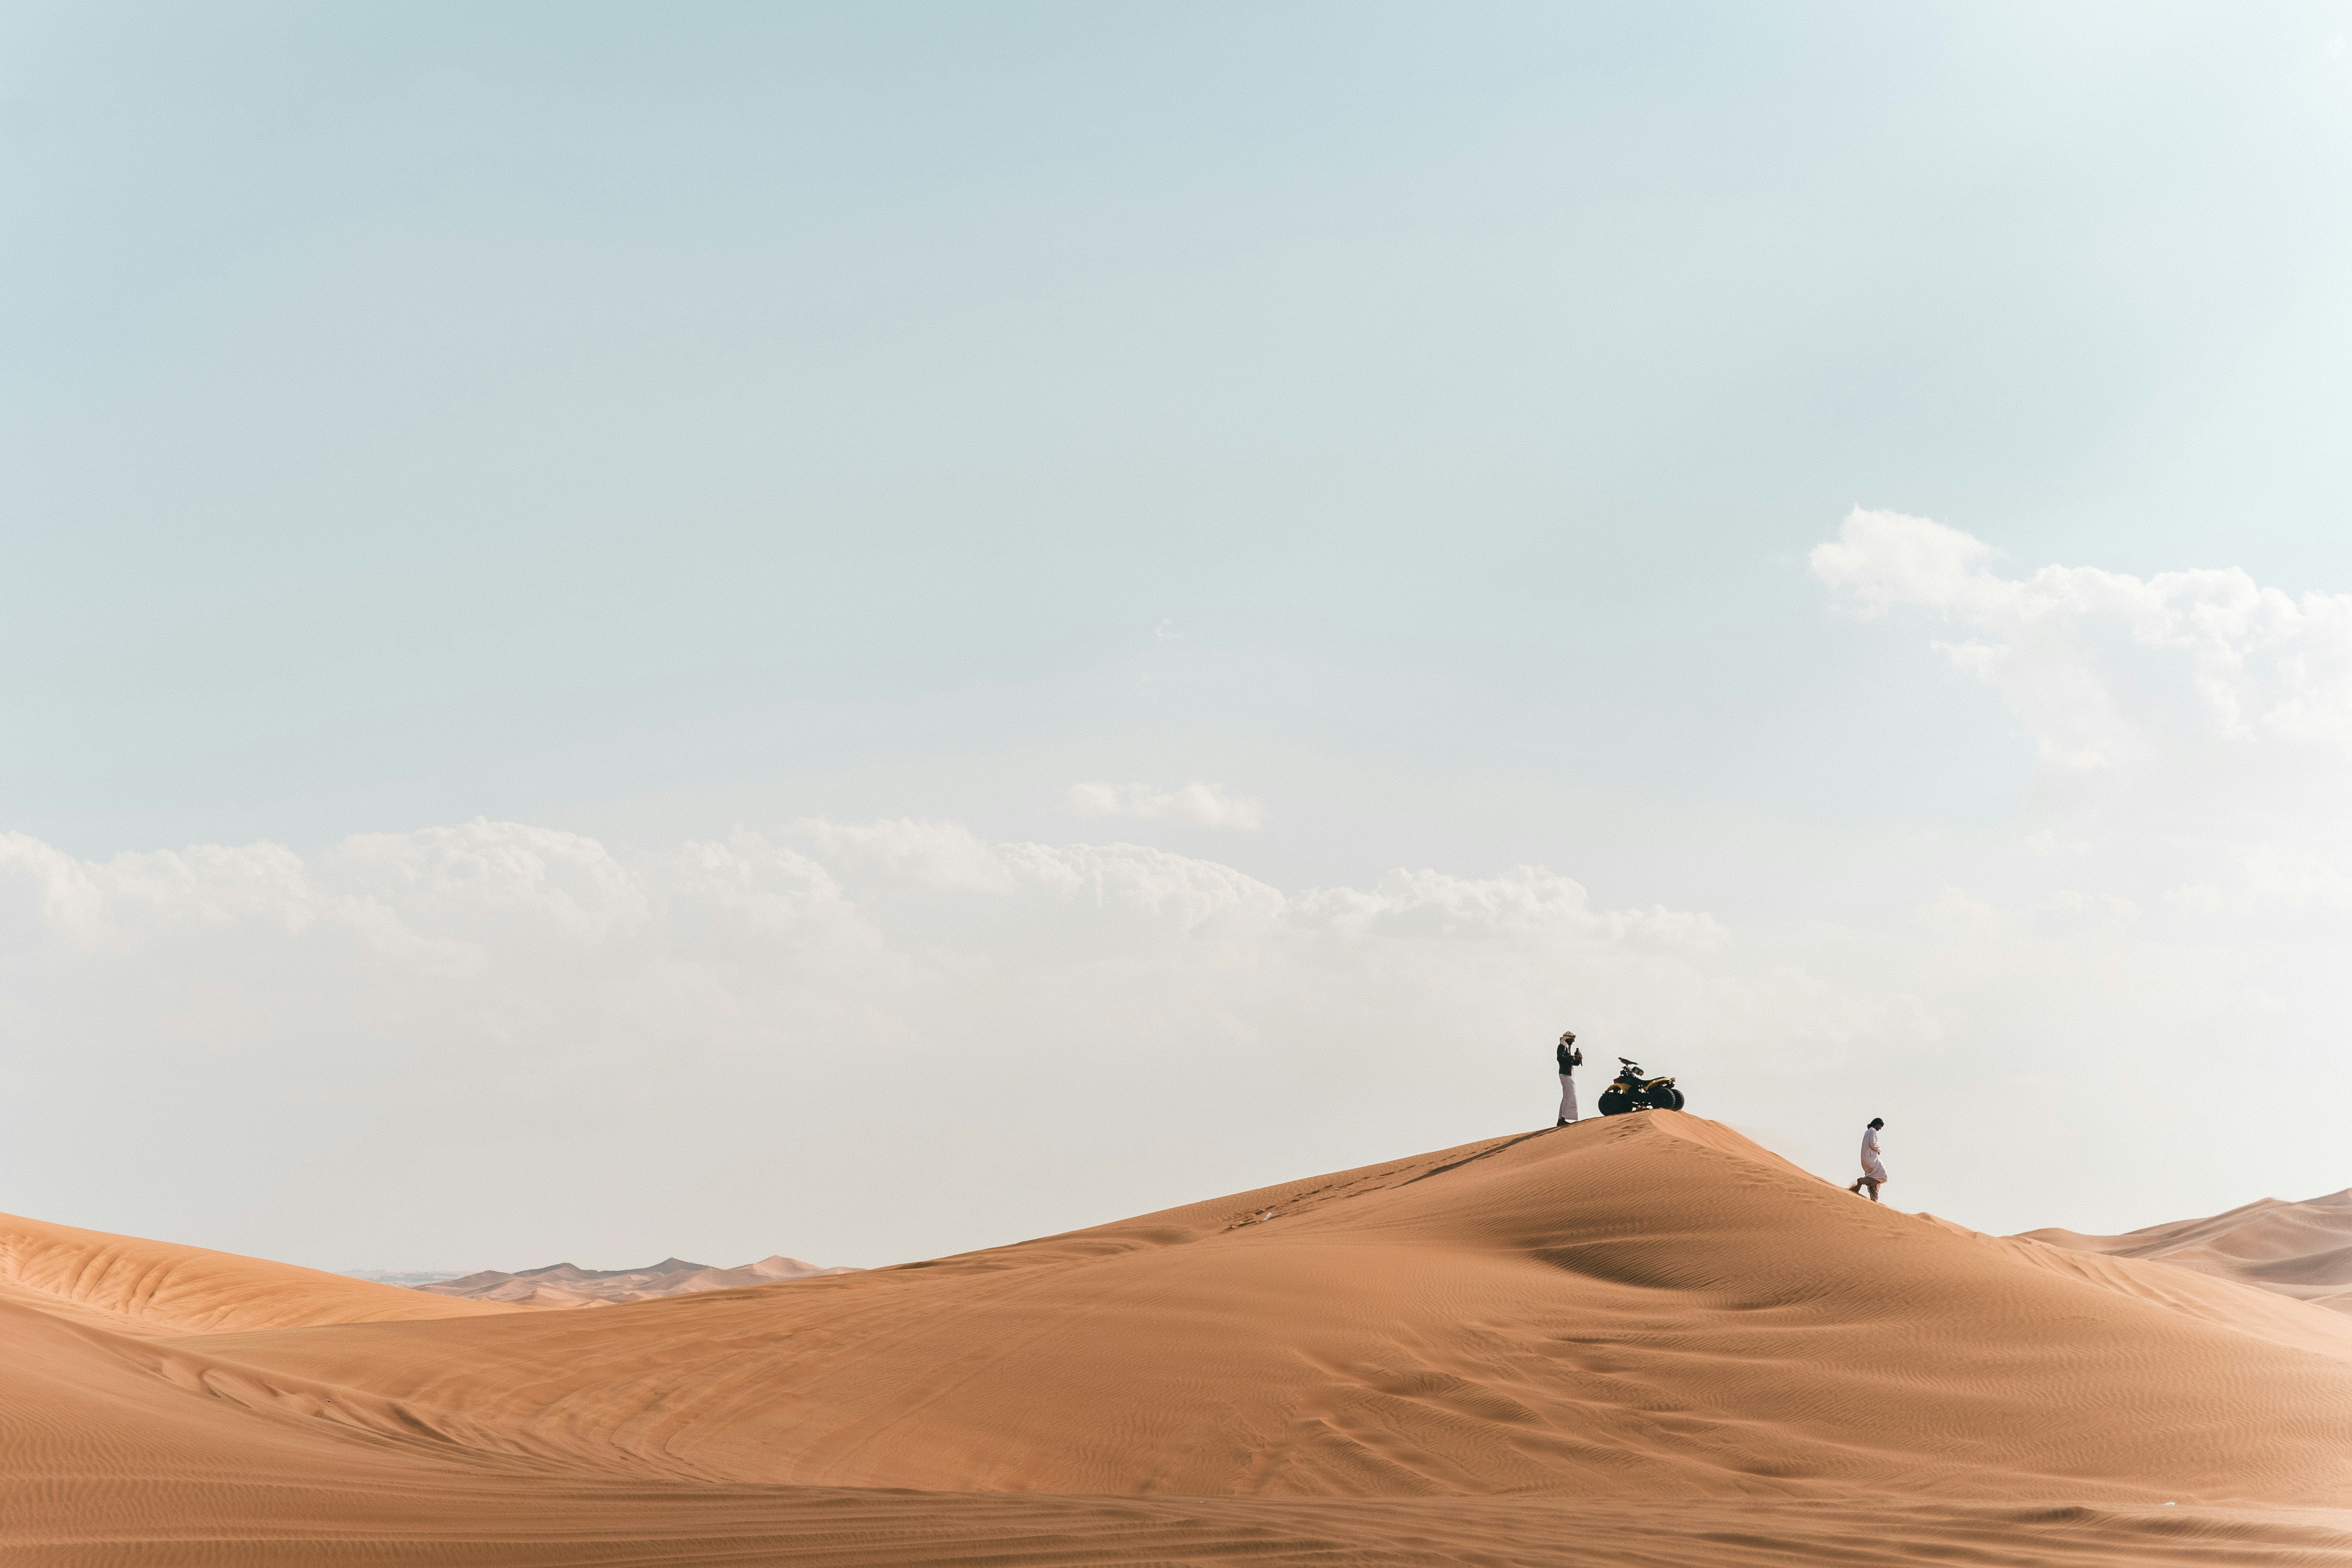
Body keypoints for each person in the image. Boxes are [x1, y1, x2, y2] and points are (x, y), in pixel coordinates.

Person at [1849, 1118, 1888, 1201]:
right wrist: (1879, 1150)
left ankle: (1874, 1203)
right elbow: (1873, 1144)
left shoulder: (1868, 1132)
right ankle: (1862, 1181)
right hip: (1871, 1160)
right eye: (1880, 1126)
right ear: (1877, 1124)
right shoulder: (1873, 1131)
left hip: (1867, 1160)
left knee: (1875, 1182)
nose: (1880, 1128)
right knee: (1884, 1176)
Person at [1555, 1030, 1583, 1126]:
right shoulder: (1562, 1046)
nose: (1573, 1042)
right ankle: (1562, 1120)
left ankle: (1561, 1119)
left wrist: (1578, 1059)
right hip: (1565, 1074)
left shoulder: (1567, 1048)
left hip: (1569, 1073)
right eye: (1572, 1040)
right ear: (1568, 1039)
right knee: (1570, 1096)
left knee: (1566, 1097)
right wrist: (1573, 1058)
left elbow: (1572, 1062)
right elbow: (1560, 1059)